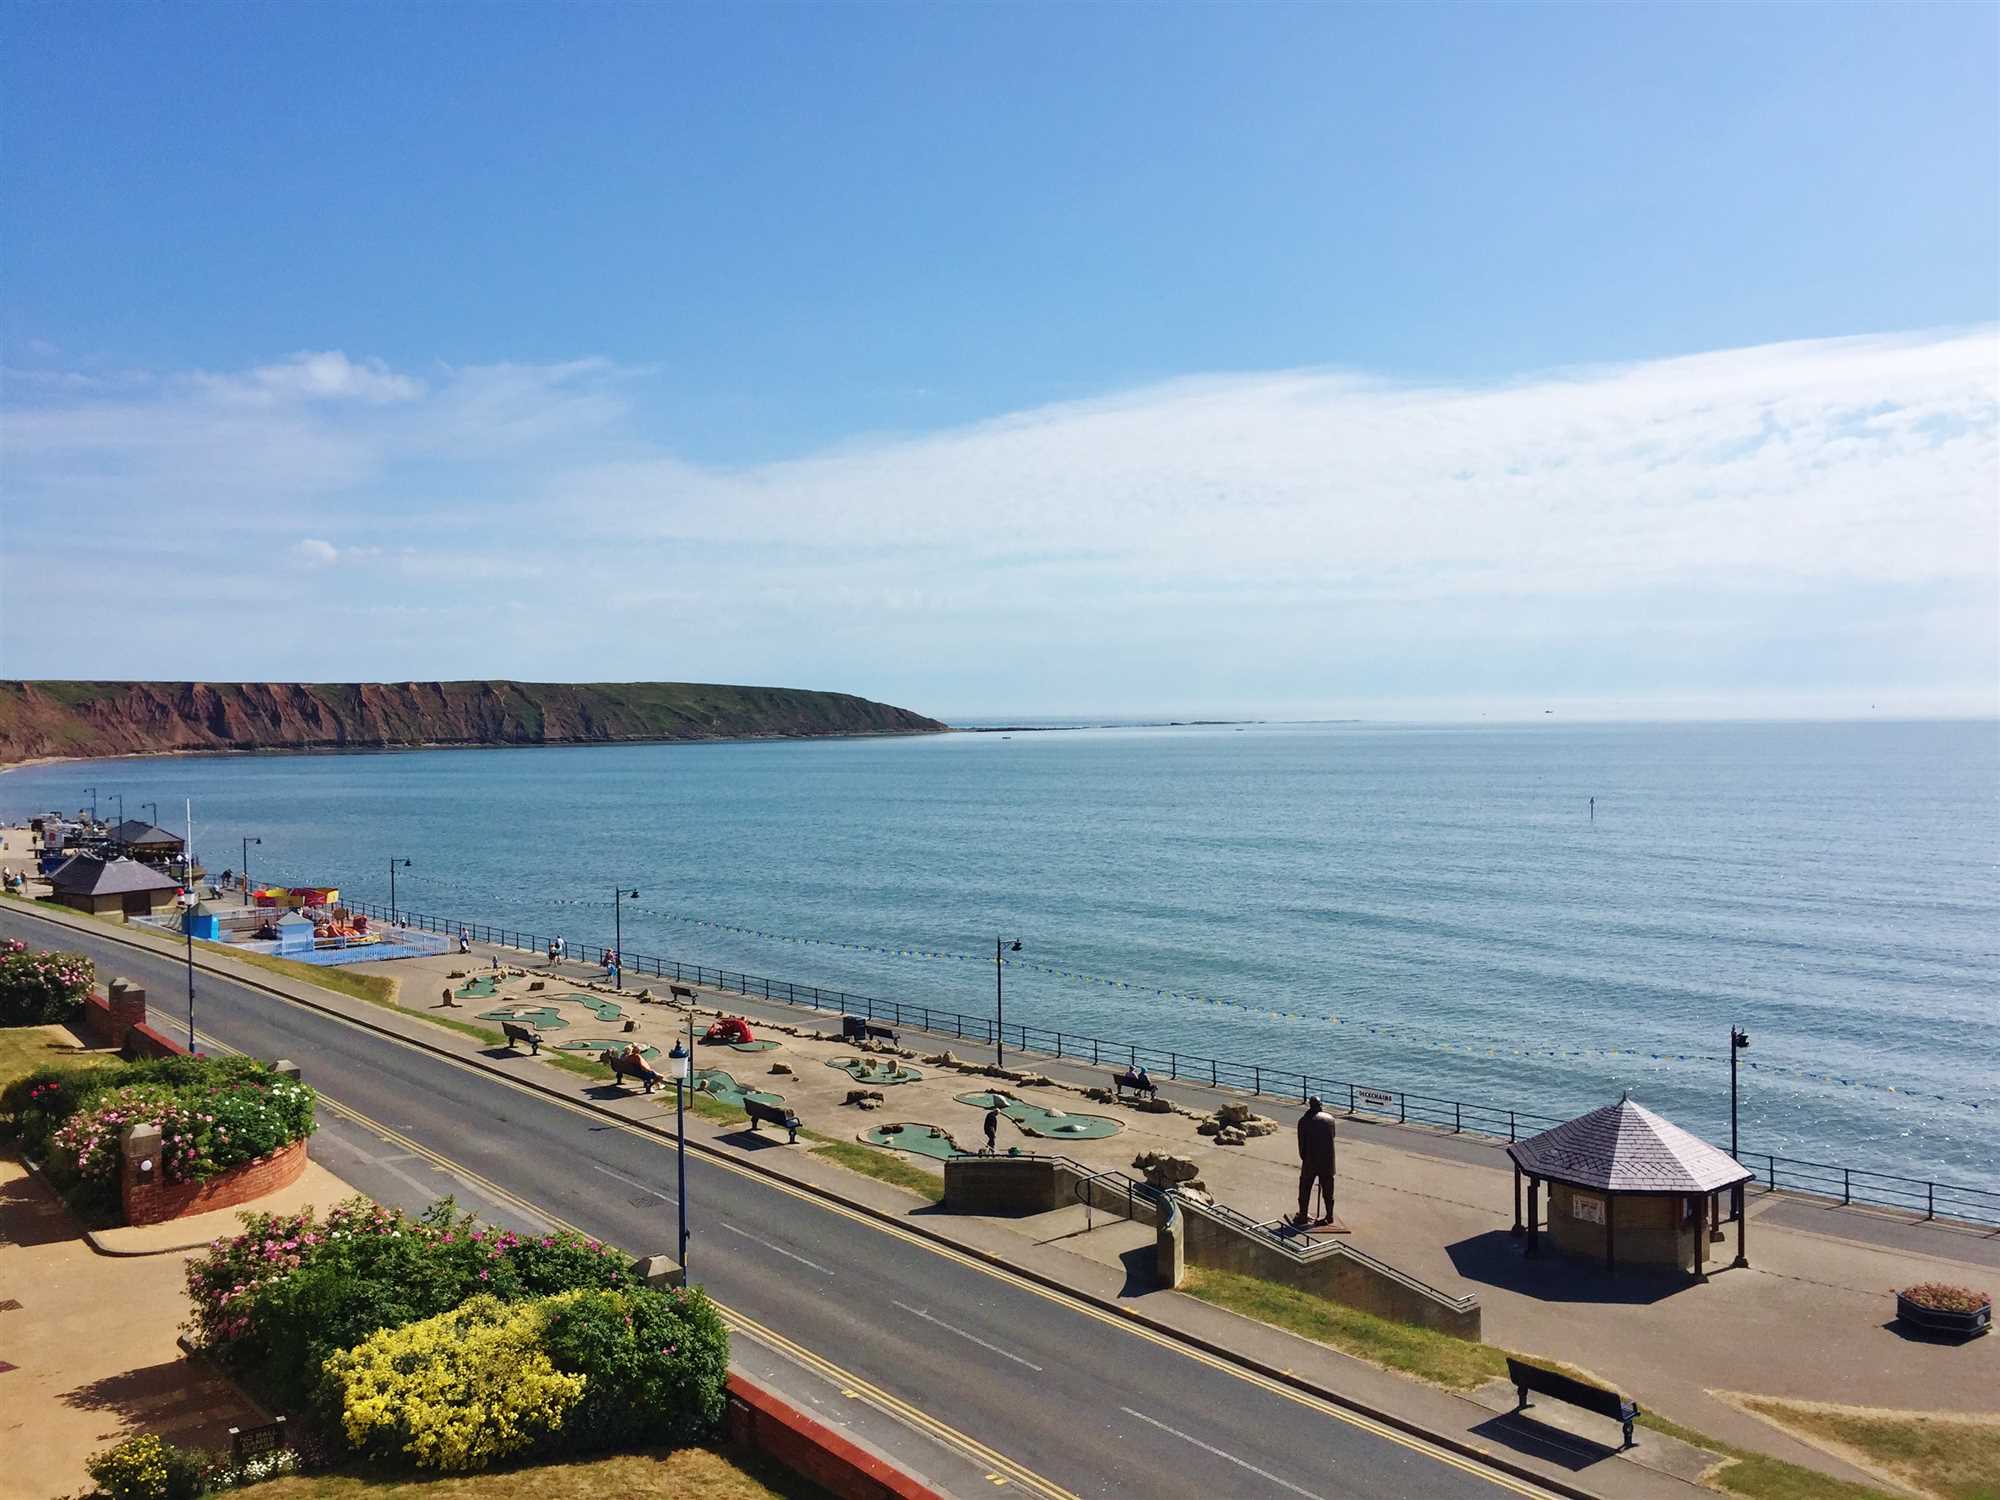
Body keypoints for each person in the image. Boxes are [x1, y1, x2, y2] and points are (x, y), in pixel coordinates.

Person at [1296, 1096, 1336, 1226]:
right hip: (1328, 1161)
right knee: (1328, 1191)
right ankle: (1329, 1216)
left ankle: (1303, 1214)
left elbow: (1301, 1145)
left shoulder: (1303, 1121)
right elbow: (1333, 1136)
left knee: (1305, 1188)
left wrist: (1305, 1158)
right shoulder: (1330, 1119)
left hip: (1310, 1161)